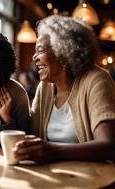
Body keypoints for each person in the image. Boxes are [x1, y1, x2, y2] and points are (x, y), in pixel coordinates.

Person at [12, 15, 115, 161]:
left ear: (64, 52)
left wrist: (54, 151)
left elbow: (108, 145)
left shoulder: (97, 80)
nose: (34, 57)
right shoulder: (45, 87)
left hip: (92, 178)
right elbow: (31, 133)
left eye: (40, 50)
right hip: (52, 175)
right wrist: (6, 118)